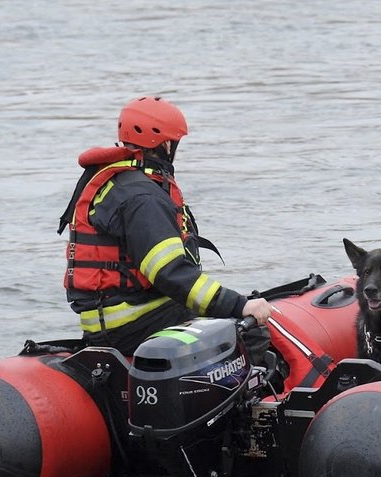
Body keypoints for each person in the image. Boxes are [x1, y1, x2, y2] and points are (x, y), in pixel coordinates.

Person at [58, 96, 271, 355]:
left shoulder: (121, 181)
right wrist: (238, 306)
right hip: (134, 325)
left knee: (222, 314)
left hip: (121, 318)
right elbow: (170, 273)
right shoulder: (142, 197)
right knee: (248, 334)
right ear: (166, 145)